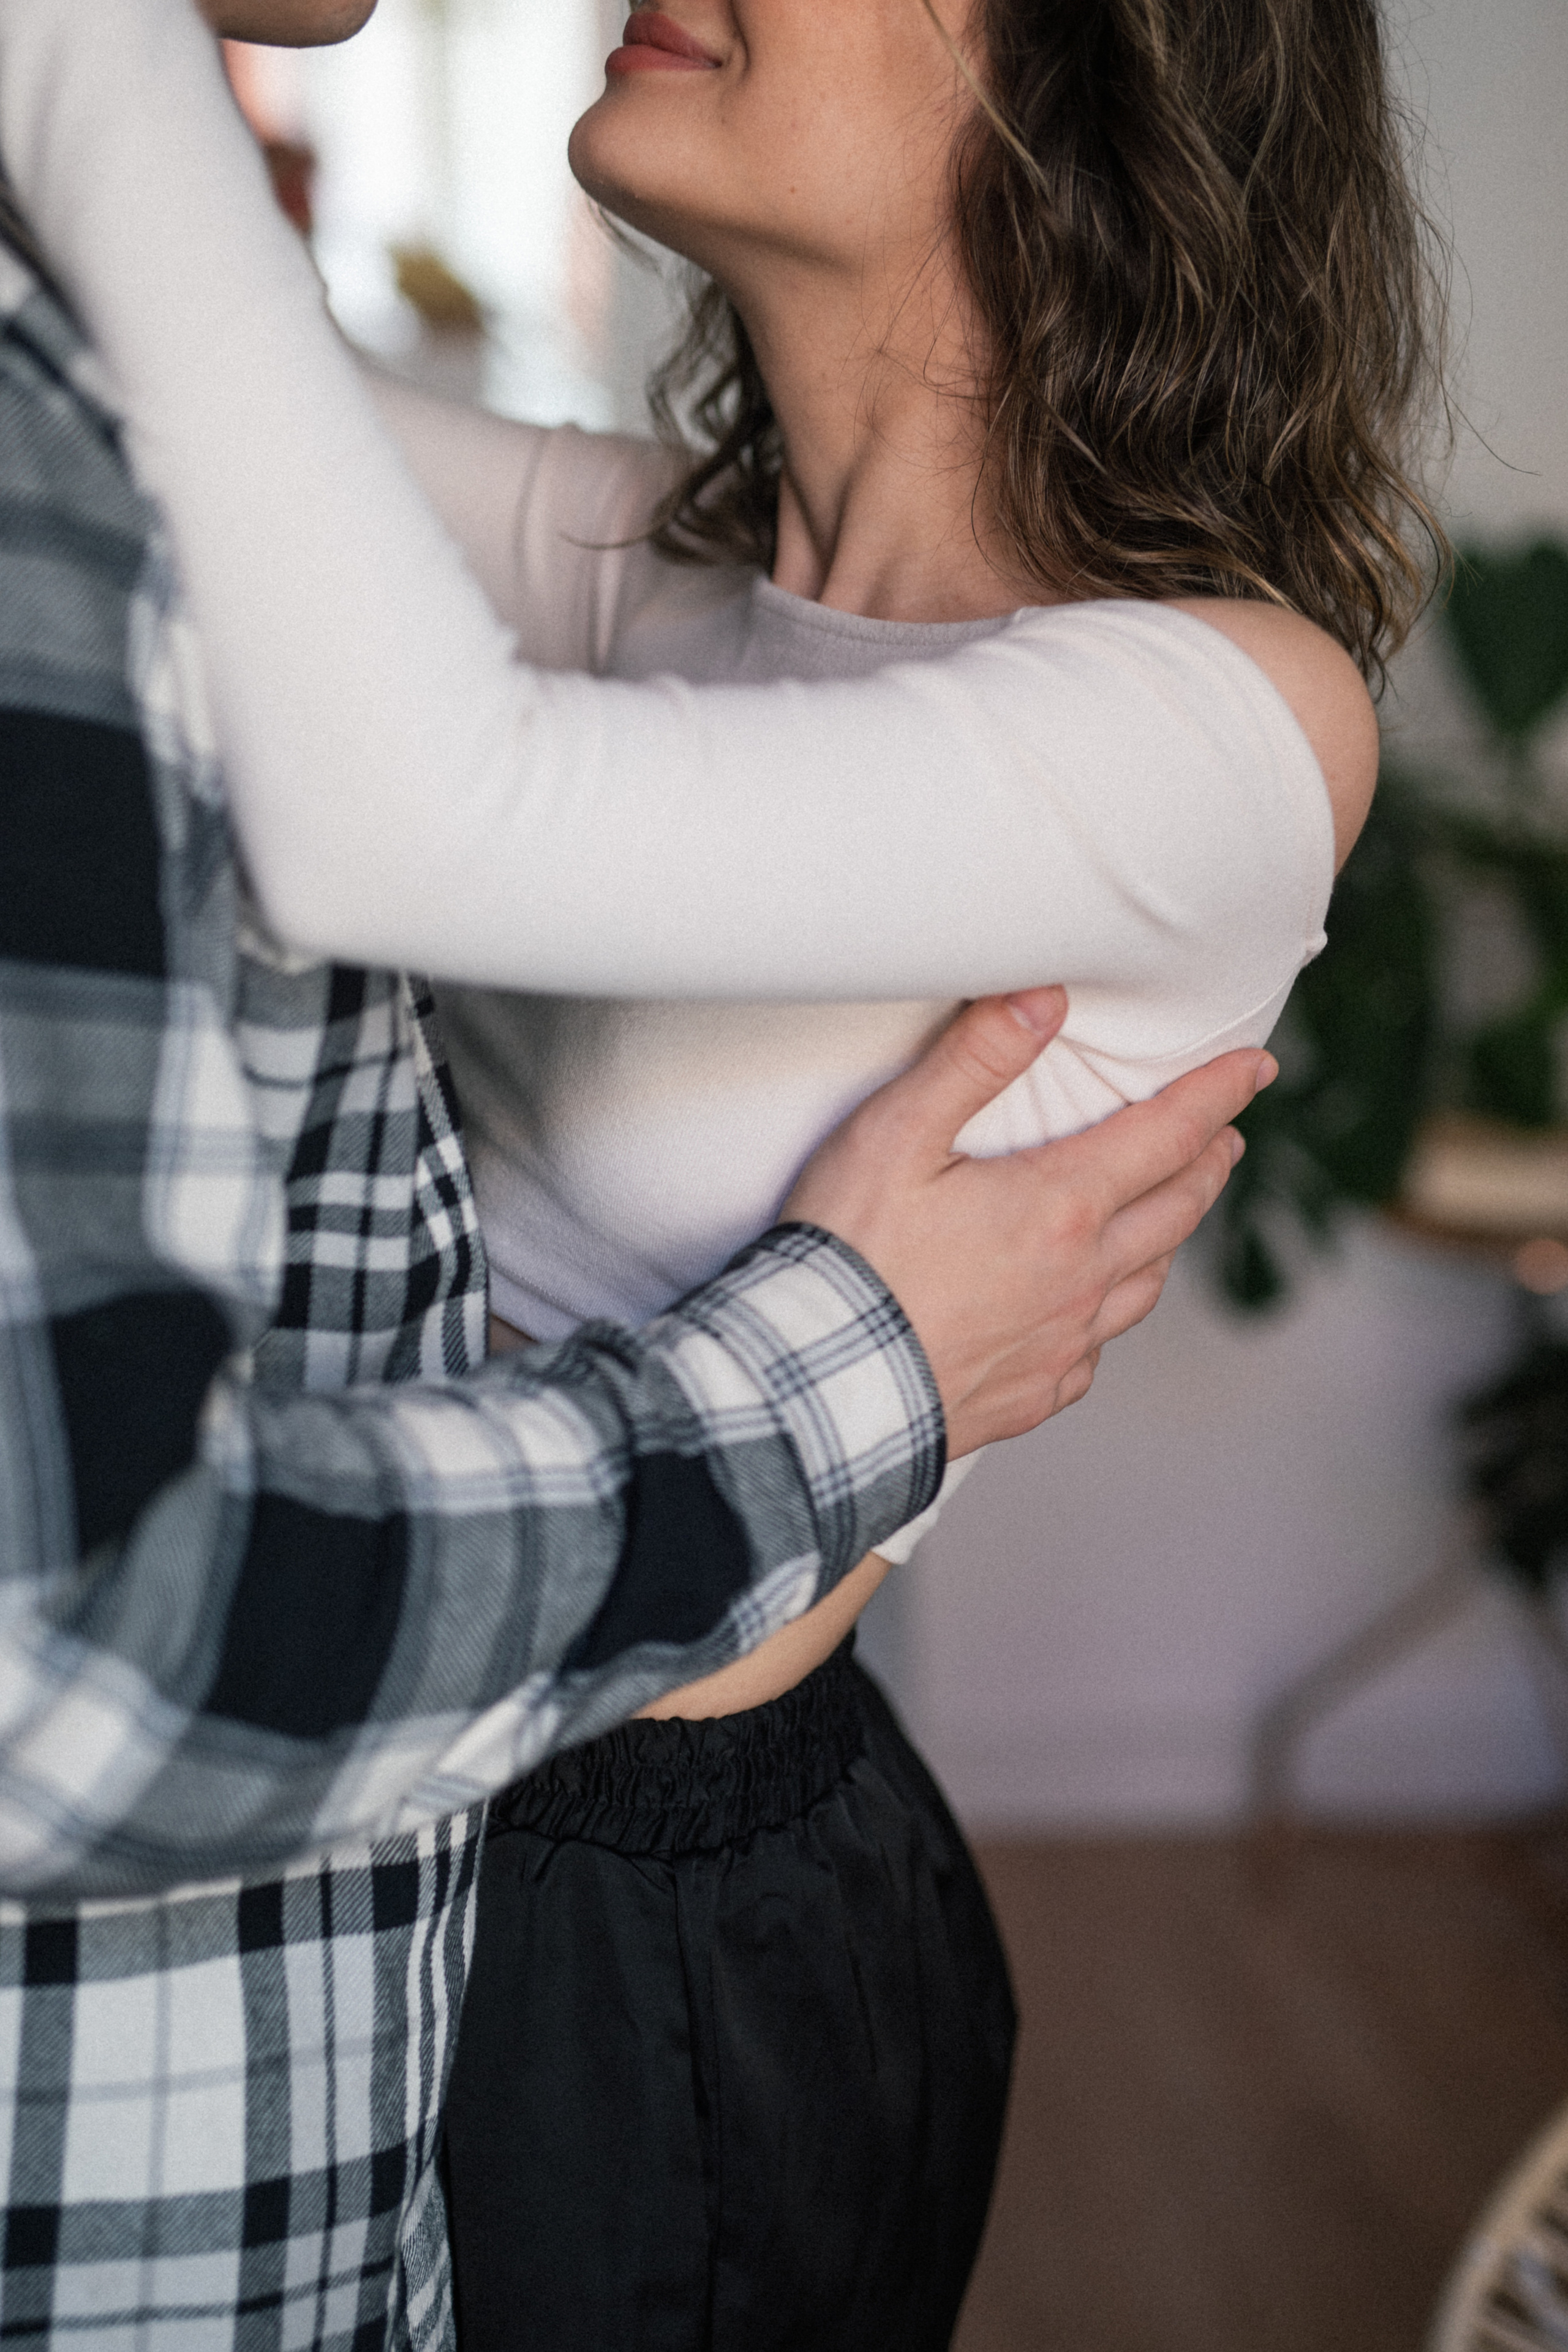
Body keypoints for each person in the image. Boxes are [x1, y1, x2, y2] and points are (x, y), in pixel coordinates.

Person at [0, 0, 1442, 2341]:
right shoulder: (657, 571)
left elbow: (403, 816)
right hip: (394, 1771)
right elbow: (159, 388)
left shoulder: (1224, 712)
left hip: (653, 1924)